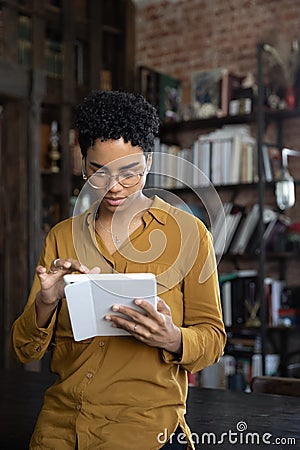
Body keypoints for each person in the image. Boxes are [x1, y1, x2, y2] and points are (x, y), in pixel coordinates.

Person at [11, 90, 226, 450]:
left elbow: (214, 340)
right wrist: (46, 303)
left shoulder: (189, 234)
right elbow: (24, 350)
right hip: (59, 426)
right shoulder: (62, 236)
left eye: (129, 173)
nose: (113, 187)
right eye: (98, 172)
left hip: (142, 428)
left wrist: (172, 338)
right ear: (82, 163)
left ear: (149, 161)